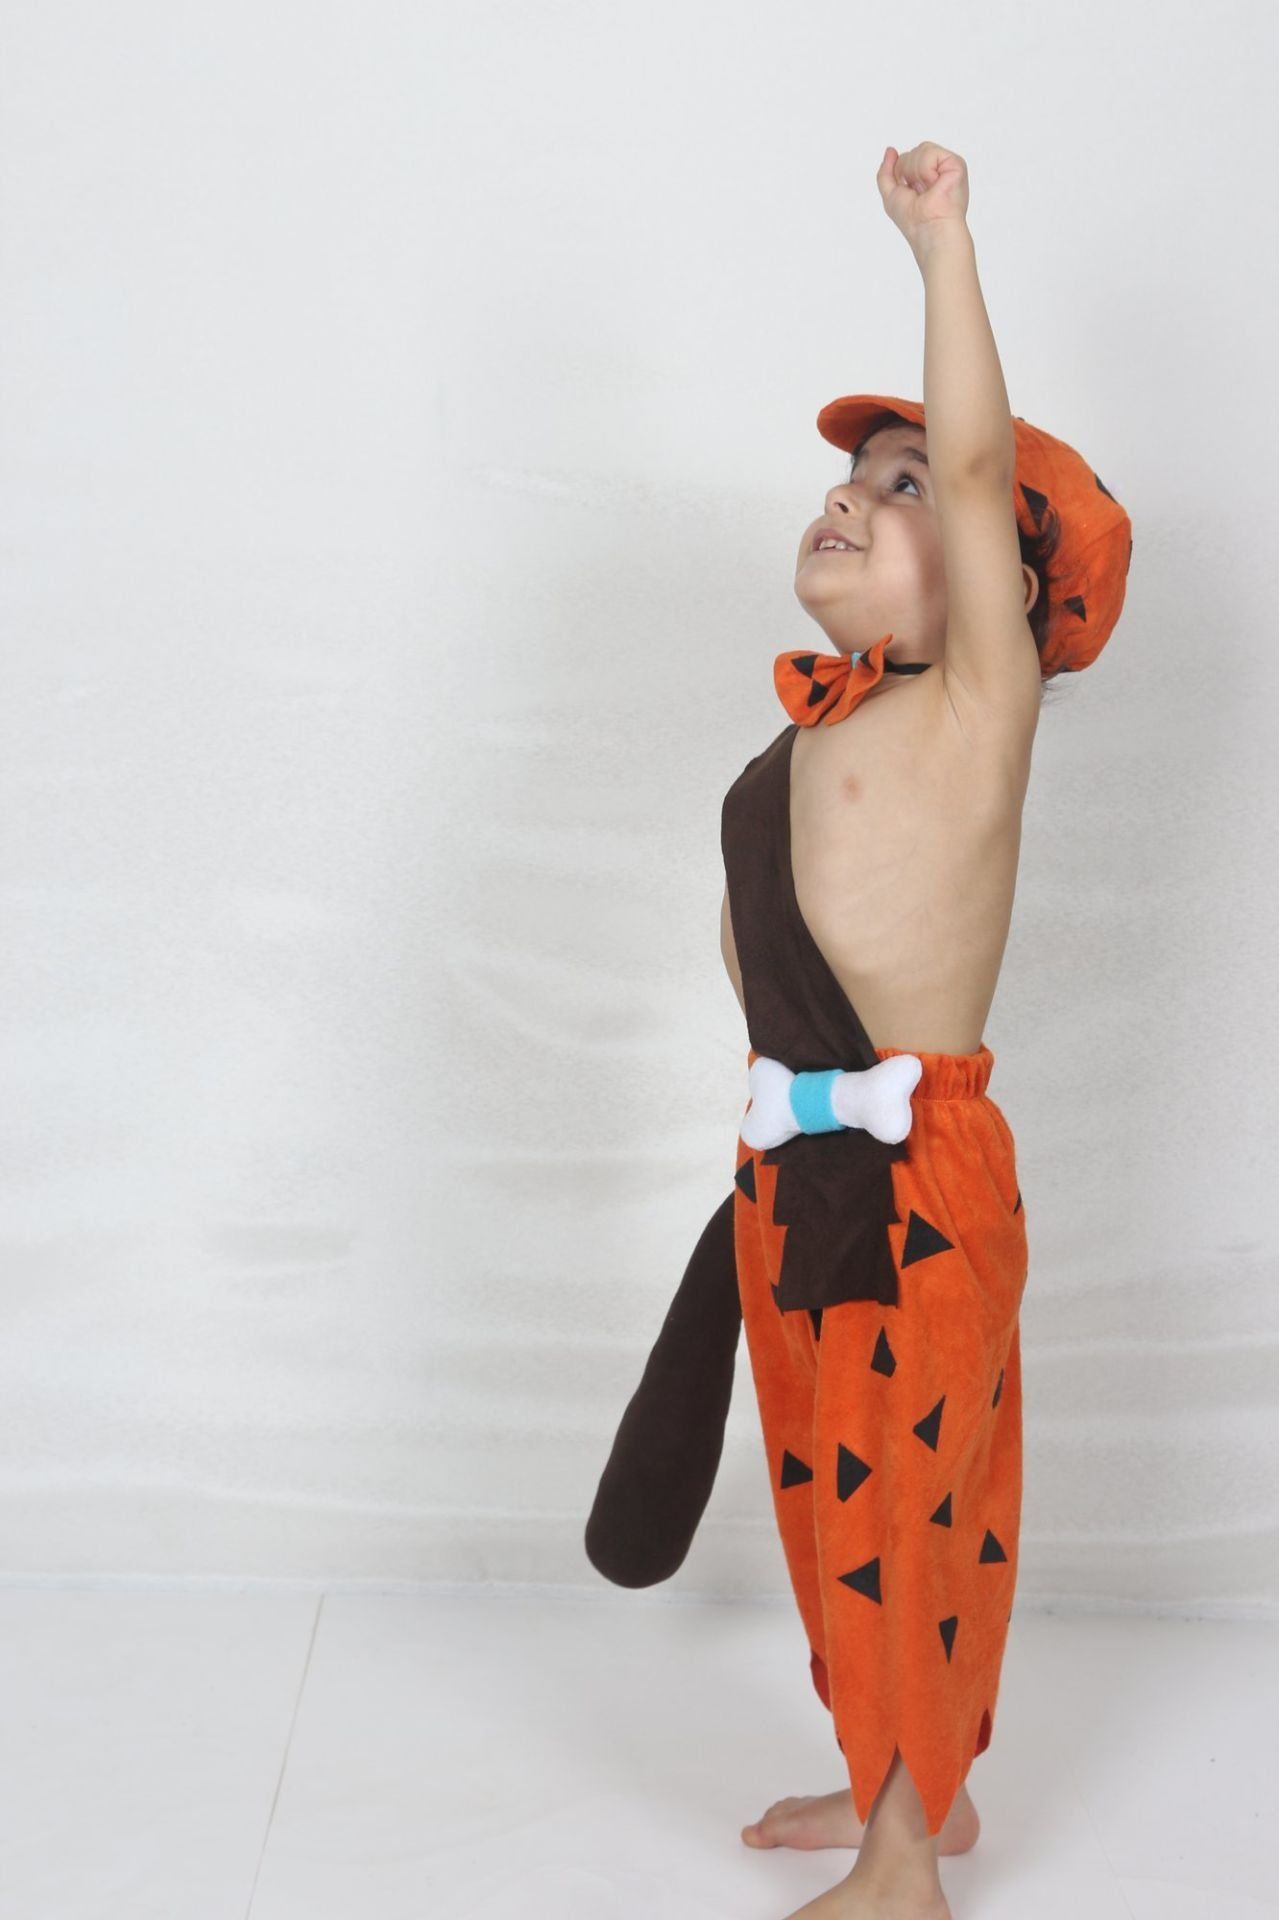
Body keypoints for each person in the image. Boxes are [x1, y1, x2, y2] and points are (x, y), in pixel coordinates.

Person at [586, 138, 1132, 1920]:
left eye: (905, 489)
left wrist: (942, 246)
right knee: (831, 1516)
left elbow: (978, 463)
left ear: (999, 588)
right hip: (797, 1177)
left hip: (917, 1185)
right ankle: (898, 1783)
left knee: (913, 1518)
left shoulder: (976, 714)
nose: (857, 494)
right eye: (846, 476)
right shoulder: (800, 745)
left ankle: (908, 1865)